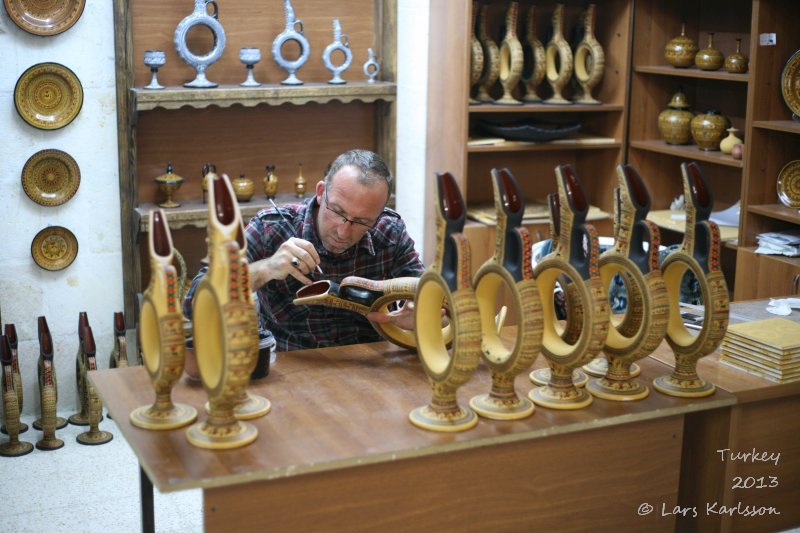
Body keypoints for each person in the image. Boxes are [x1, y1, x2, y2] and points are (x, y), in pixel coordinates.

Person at [183, 149, 425, 352]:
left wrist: (423, 316)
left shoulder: (388, 231)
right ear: (321, 192)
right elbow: (195, 304)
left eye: (362, 222)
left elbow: (438, 305)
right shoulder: (271, 228)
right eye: (338, 212)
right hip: (292, 368)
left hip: (369, 364)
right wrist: (266, 268)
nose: (343, 231)